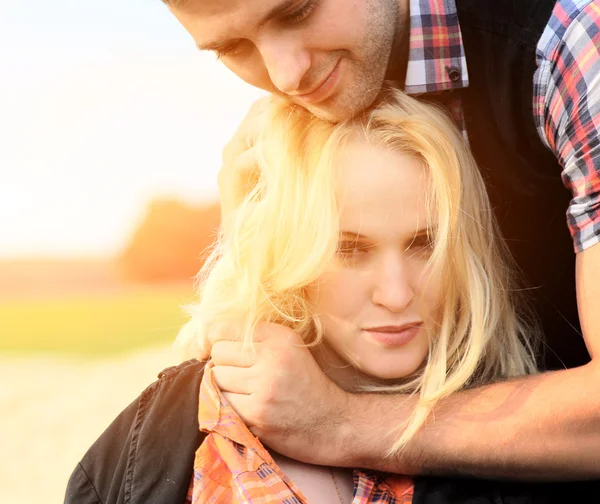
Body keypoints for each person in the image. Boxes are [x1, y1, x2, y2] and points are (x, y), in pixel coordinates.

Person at [66, 90, 600, 503]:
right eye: (349, 249)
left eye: (423, 243)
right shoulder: (143, 449)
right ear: (283, 253)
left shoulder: (537, 457)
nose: (395, 294)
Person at [161, 0, 600, 479]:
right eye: (232, 46)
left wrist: (340, 424)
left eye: (298, 11)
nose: (286, 77)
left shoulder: (570, 48)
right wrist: (247, 251)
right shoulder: (286, 121)